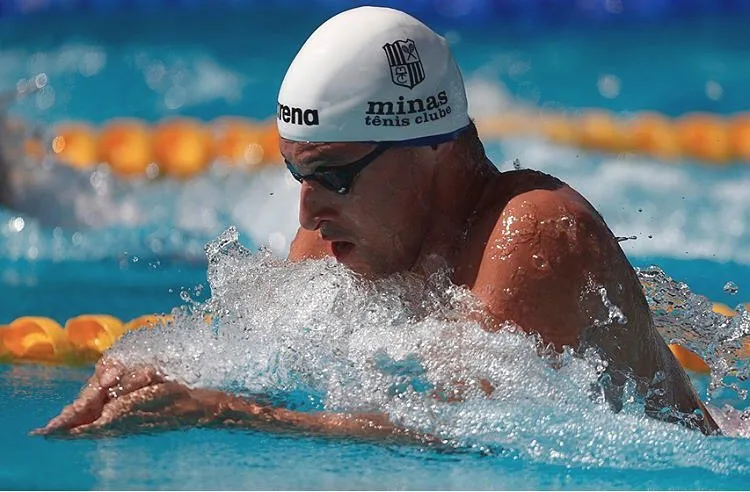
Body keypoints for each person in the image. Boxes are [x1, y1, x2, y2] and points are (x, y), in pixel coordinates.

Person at [33, 6, 719, 438]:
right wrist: (160, 373)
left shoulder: (532, 232)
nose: (306, 212)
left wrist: (224, 412)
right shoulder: (336, 233)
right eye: (297, 176)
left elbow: (470, 435)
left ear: (433, 150)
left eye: (332, 175)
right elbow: (266, 363)